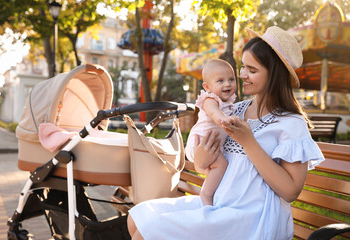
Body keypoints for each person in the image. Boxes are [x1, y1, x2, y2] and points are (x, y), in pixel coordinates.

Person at [127, 26, 325, 240]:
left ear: (274, 74)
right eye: (242, 67)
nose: (241, 75)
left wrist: (249, 142)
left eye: (252, 70)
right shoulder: (234, 109)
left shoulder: (290, 123)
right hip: (221, 202)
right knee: (138, 217)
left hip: (253, 216)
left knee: (149, 232)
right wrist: (202, 158)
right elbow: (209, 167)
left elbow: (290, 191)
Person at [185, 59, 236, 206]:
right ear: (207, 87)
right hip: (202, 142)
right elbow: (214, 113)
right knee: (221, 166)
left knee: (218, 167)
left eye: (231, 79)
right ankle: (206, 195)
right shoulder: (210, 99)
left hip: (211, 143)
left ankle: (212, 192)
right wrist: (225, 119)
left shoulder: (228, 102)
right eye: (220, 81)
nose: (227, 84)